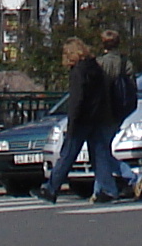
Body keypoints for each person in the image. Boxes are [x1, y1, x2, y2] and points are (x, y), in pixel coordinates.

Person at [42, 36, 123, 203]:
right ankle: (109, 190)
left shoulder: (78, 71)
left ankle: (51, 188)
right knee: (99, 155)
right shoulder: (95, 67)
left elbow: (77, 99)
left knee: (67, 154)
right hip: (98, 118)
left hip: (82, 120)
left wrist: (72, 121)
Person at [96, 27, 142, 196]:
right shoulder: (126, 62)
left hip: (104, 112)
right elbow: (132, 87)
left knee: (101, 152)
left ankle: (131, 177)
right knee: (102, 150)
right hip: (121, 110)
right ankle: (100, 189)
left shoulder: (100, 63)